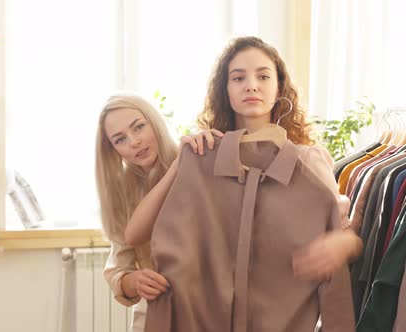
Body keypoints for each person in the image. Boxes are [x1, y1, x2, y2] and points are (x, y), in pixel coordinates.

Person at [125, 36, 363, 283]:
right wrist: (180, 162)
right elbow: (135, 234)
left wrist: (341, 245)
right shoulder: (203, 157)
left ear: (279, 88)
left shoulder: (308, 160)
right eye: (238, 78)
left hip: (283, 311)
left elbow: (347, 236)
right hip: (211, 311)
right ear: (225, 90)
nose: (251, 86)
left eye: (263, 76)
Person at [96, 92, 220, 331]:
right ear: (112, 150)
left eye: (139, 127)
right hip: (155, 314)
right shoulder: (121, 192)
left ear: (155, 121)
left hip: (209, 312)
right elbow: (118, 269)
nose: (134, 142)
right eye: (119, 139)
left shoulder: (198, 160)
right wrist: (134, 282)